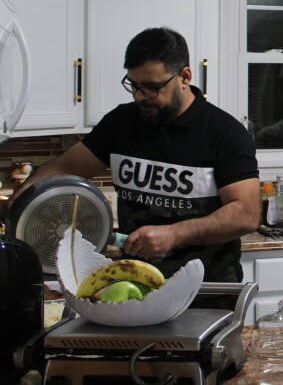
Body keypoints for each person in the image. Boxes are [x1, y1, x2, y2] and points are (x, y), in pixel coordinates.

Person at [11, 27, 260, 307]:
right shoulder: (121, 123)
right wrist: (18, 205)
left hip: (207, 291)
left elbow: (246, 214)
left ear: (184, 77)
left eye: (152, 87)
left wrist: (174, 234)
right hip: (135, 287)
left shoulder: (224, 133)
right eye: (134, 85)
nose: (141, 96)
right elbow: (62, 169)